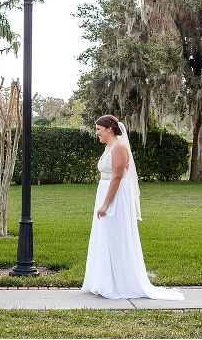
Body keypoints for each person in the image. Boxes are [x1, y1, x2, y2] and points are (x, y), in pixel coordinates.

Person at [81, 115, 184, 300]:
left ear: (109, 129)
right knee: (105, 236)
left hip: (116, 197)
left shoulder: (119, 147)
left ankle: (122, 283)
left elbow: (117, 178)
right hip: (104, 190)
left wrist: (106, 204)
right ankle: (105, 281)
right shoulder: (108, 147)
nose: (97, 133)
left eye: (99, 129)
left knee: (116, 236)